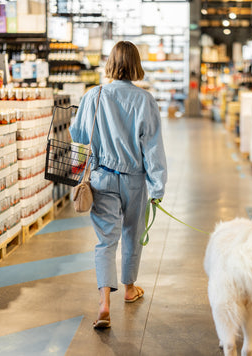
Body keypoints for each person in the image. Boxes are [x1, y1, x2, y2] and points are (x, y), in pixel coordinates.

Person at [69, 41, 167, 329]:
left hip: (101, 177)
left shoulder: (93, 96)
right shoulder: (145, 100)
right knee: (132, 235)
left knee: (105, 241)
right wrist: (158, 187)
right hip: (135, 179)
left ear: (110, 63)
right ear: (136, 64)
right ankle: (128, 289)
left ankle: (103, 303)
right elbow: (153, 147)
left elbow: (78, 133)